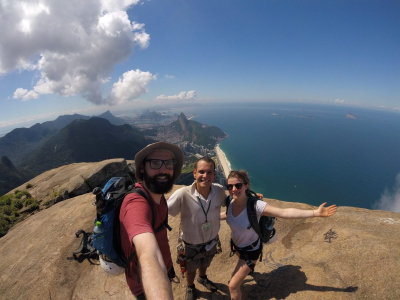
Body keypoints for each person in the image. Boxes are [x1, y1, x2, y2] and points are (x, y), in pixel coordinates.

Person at [221, 170, 338, 300]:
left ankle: (249, 267)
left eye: (238, 185)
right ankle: (250, 269)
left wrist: (315, 213)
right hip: (236, 246)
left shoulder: (256, 205)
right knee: (242, 267)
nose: (234, 189)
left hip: (251, 250)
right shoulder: (230, 202)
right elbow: (228, 215)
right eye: (230, 187)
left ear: (246, 185)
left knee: (232, 286)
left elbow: (285, 213)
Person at [168, 157, 262, 300]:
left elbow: (232, 201)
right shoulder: (183, 194)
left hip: (211, 240)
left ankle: (203, 277)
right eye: (201, 172)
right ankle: (190, 286)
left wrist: (250, 197)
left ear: (214, 174)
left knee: (205, 263)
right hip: (191, 242)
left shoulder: (218, 190)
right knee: (190, 268)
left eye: (209, 172)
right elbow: (164, 210)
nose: (205, 176)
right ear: (194, 173)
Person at [119, 142, 184, 300]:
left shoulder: (158, 195)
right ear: (142, 168)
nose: (163, 169)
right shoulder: (135, 204)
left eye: (168, 163)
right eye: (155, 163)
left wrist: (169, 270)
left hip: (165, 269)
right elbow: (149, 253)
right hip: (143, 286)